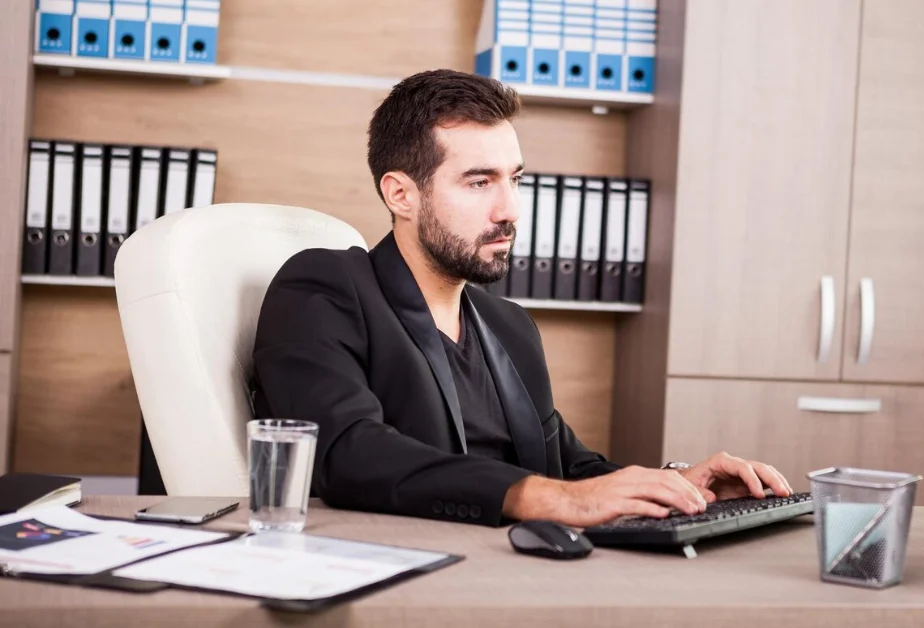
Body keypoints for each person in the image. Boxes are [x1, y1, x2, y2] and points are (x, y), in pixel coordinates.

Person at [249, 69, 793, 528]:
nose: (510, 209)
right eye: (479, 182)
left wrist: (678, 488)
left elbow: (569, 468)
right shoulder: (325, 285)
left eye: (515, 179)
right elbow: (349, 453)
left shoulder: (508, 325)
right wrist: (548, 500)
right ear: (401, 194)